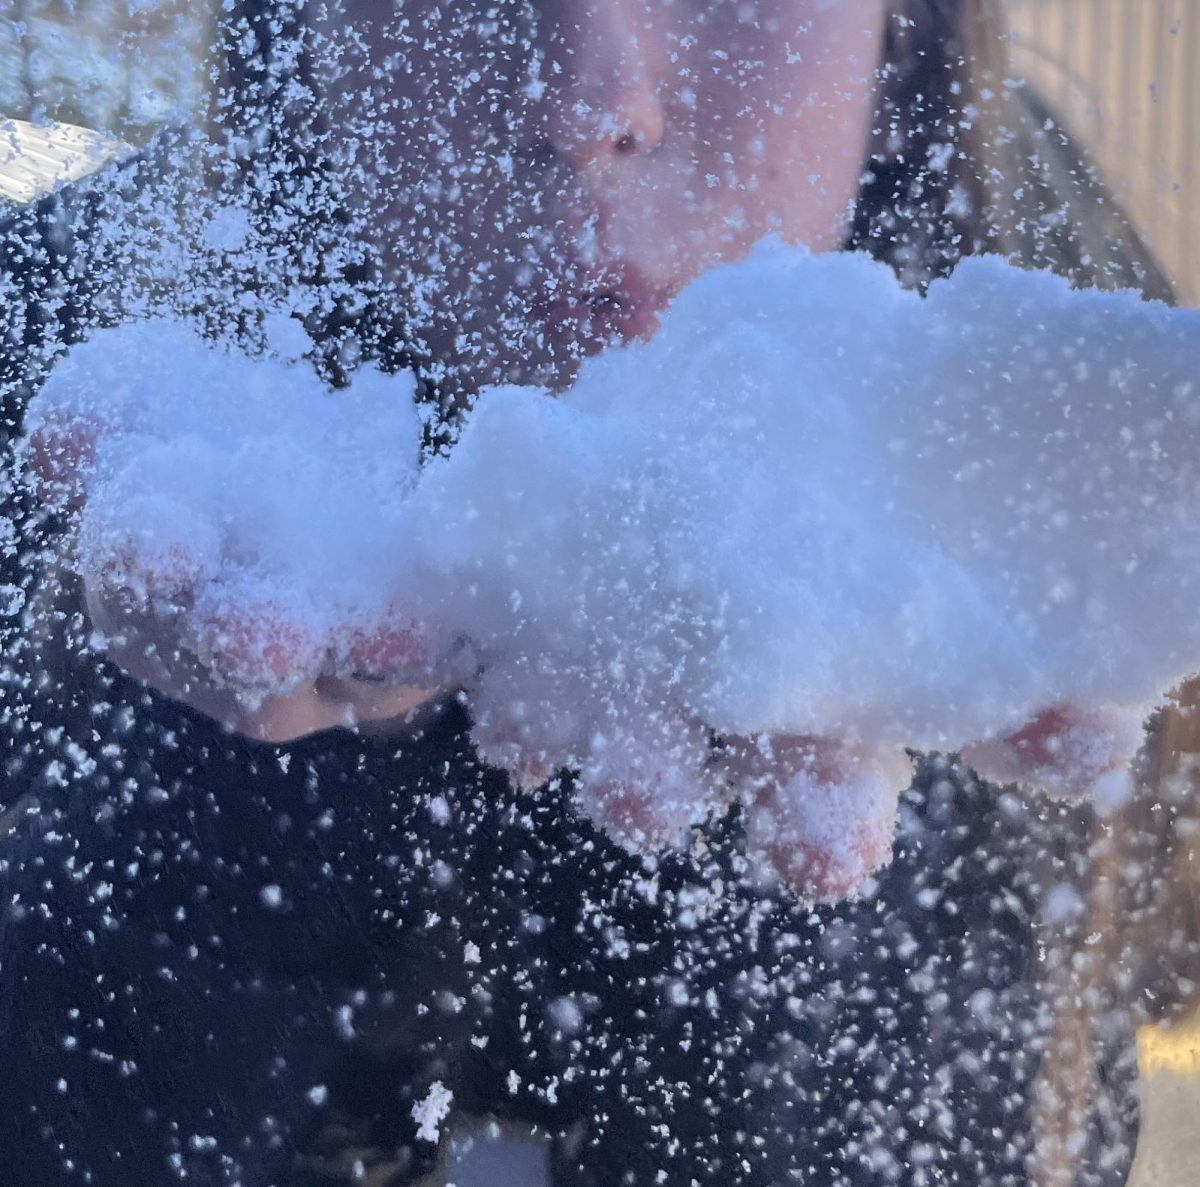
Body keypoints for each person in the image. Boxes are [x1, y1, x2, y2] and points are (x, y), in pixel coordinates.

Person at [0, 1, 1189, 1185]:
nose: (589, 105)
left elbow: (1046, 1109)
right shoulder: (57, 360)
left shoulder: (1060, 420)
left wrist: (794, 884)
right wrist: (207, 780)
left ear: (904, 48)